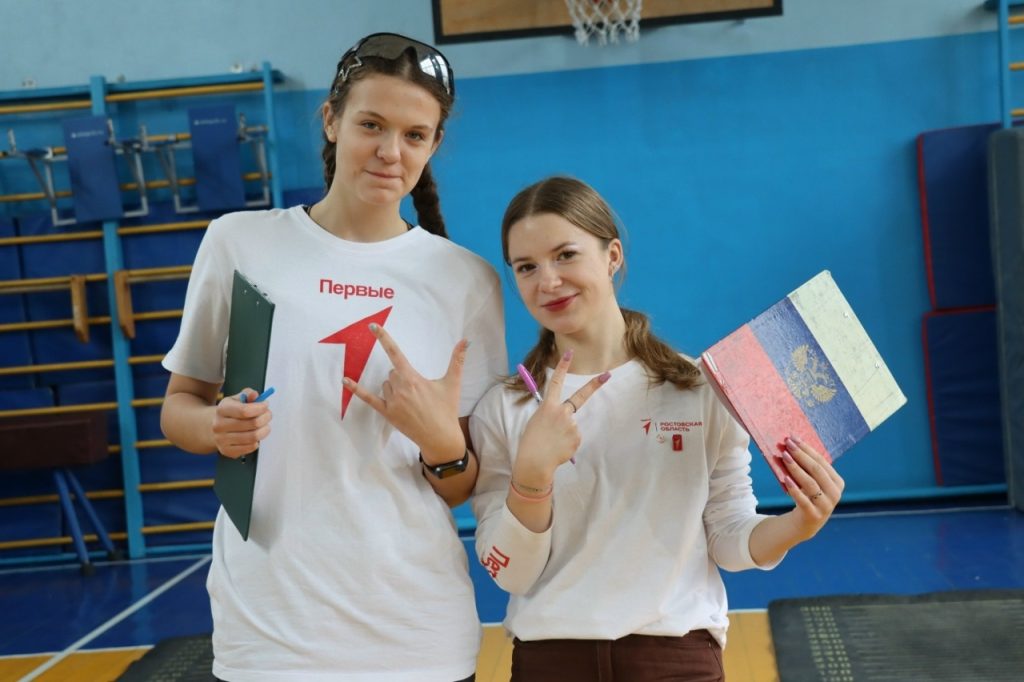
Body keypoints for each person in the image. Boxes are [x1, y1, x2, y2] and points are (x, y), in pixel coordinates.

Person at [160, 32, 506, 681]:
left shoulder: (467, 280)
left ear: (433, 145)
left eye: (414, 135)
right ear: (331, 120)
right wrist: (214, 427)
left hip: (417, 632)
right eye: (371, 125)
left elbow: (464, 484)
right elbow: (179, 408)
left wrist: (441, 443)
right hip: (268, 631)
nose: (390, 151)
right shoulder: (239, 243)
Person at [470, 176, 845, 682]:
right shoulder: (505, 408)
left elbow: (728, 536)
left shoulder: (702, 388)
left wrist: (799, 525)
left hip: (677, 660)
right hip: (550, 661)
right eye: (526, 267)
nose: (548, 281)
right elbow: (510, 572)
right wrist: (532, 479)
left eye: (565, 255)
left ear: (612, 255)